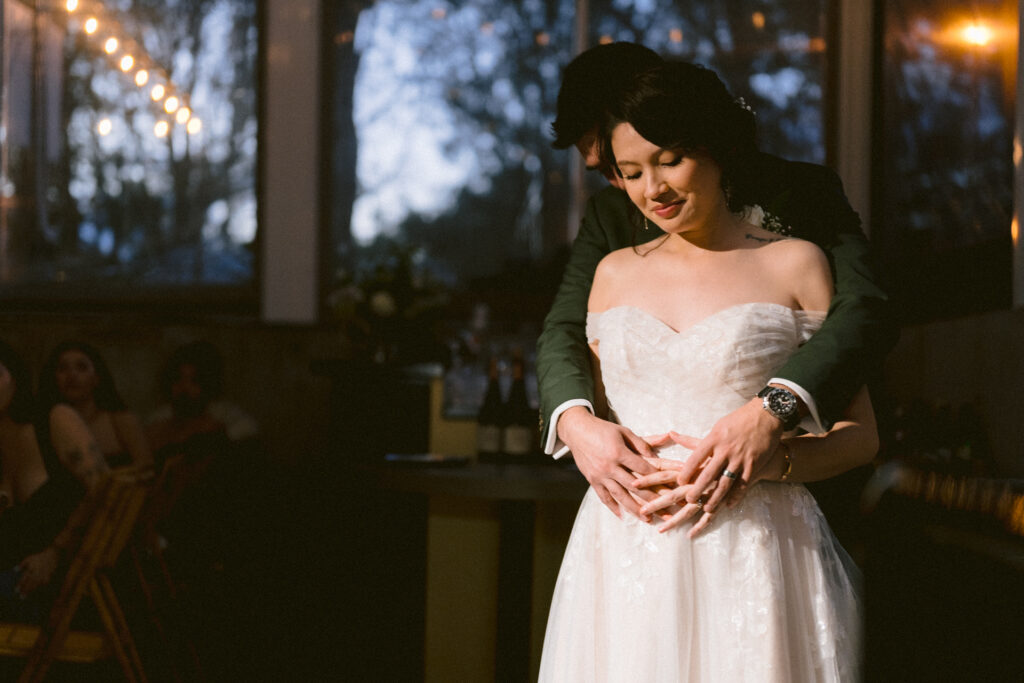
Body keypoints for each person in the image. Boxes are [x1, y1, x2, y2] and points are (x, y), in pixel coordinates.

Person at [538, 61, 878, 681]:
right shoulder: (611, 269)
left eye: (670, 160)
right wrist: (578, 423)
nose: (652, 190)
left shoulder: (797, 261)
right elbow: (562, 338)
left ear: (716, 149)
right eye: (631, 173)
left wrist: (771, 457)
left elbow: (862, 429)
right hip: (622, 549)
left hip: (758, 548)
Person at [537, 43, 896, 520]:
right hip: (635, 514)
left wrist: (774, 409)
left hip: (781, 495)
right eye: (617, 171)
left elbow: (864, 309)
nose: (635, 188)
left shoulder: (802, 194)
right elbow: (565, 327)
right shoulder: (611, 219)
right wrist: (575, 423)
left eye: (667, 157)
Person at [0, 339, 111, 618]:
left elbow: (105, 490)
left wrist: (56, 552)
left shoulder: (54, 419)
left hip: (59, 580)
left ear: (14, 376)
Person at [38, 340, 153, 471]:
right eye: (63, 368)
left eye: (81, 367)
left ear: (96, 377)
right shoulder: (46, 427)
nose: (72, 375)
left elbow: (147, 468)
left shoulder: (120, 421)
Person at [145, 340, 260, 458]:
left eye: (194, 381)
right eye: (178, 379)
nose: (184, 388)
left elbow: (248, 427)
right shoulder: (161, 417)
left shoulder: (222, 413)